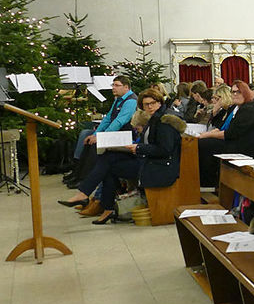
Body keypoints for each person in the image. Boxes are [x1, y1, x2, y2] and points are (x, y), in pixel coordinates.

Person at [58, 89, 185, 224]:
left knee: (109, 165)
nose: (149, 107)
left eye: (152, 103)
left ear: (160, 102)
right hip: (150, 161)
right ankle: (101, 205)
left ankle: (91, 198)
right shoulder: (155, 118)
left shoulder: (165, 121)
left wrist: (138, 148)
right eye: (146, 104)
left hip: (160, 167)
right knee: (109, 158)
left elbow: (165, 150)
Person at [67, 75, 138, 186]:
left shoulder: (131, 101)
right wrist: (96, 134)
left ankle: (85, 178)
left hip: (125, 135)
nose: (113, 88)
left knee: (95, 146)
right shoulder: (118, 100)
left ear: (126, 87)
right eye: (113, 85)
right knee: (88, 141)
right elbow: (108, 118)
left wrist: (101, 137)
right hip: (115, 132)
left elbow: (119, 121)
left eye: (117, 85)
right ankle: (77, 173)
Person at [197, 81, 254, 186]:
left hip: (245, 149)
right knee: (204, 143)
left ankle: (209, 183)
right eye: (233, 92)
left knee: (204, 145)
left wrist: (208, 135)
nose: (235, 94)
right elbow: (224, 128)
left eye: (239, 92)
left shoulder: (250, 110)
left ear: (246, 93)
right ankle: (205, 182)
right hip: (235, 143)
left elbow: (229, 134)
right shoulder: (237, 108)